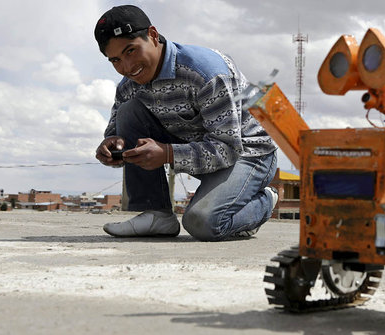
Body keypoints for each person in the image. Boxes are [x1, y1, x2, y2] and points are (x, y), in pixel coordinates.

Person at [93, 5, 278, 241]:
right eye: (116, 60)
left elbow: (229, 149)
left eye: (131, 51)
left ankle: (265, 200)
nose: (127, 67)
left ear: (152, 34)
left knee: (203, 222)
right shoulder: (129, 85)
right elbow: (117, 127)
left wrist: (168, 153)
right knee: (129, 111)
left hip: (248, 154)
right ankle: (156, 215)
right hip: (197, 150)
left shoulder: (205, 72)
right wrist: (112, 144)